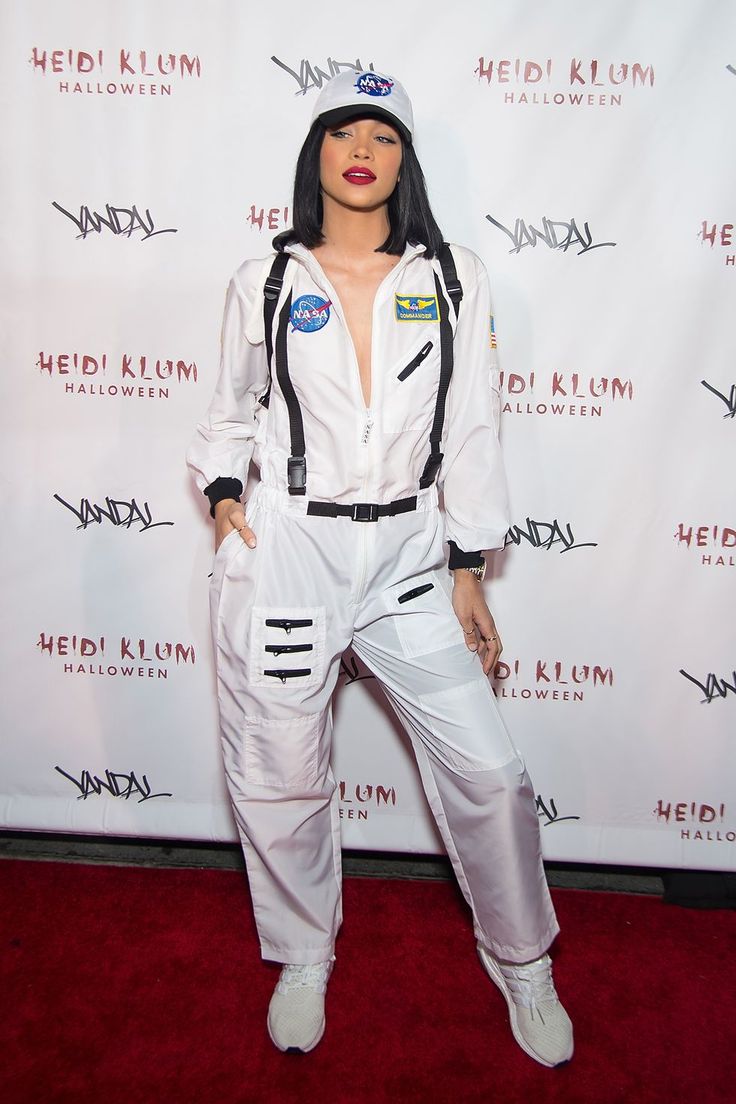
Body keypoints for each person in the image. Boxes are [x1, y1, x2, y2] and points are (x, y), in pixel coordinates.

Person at [186, 69, 573, 1067]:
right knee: (280, 775)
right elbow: (229, 413)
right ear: (315, 153)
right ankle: (304, 950)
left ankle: (522, 959)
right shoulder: (265, 278)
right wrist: (227, 499)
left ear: (405, 161)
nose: (363, 149)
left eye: (385, 136)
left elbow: (475, 426)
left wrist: (467, 568)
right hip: (289, 555)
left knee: (488, 773)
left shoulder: (453, 276)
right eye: (342, 132)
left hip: (407, 557)